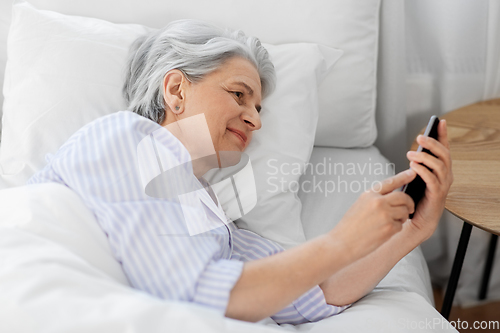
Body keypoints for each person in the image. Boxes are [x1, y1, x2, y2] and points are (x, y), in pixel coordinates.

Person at [27, 19, 453, 324]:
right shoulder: (122, 138)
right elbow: (196, 296)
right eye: (239, 94)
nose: (256, 120)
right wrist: (341, 241)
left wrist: (412, 231)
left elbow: (312, 294)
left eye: (259, 106)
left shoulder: (209, 210)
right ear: (176, 89)